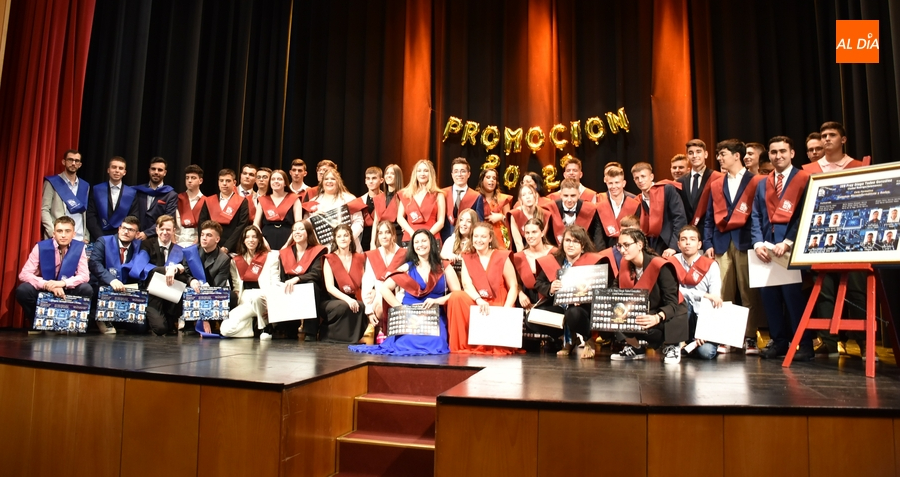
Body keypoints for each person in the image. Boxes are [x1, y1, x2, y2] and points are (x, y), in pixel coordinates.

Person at [750, 136, 814, 361]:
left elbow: (804, 214)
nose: (778, 156)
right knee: (770, 298)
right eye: (774, 152)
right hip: (765, 251)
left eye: (782, 151)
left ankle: (804, 344)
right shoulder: (762, 182)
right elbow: (755, 215)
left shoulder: (805, 179)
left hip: (790, 250)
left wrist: (787, 242)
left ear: (792, 153)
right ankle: (779, 342)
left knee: (794, 300)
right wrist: (757, 242)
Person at [349, 229, 460, 356]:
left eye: (424, 241)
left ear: (431, 243)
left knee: (436, 343)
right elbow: (384, 288)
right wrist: (401, 308)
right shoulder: (407, 267)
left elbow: (457, 294)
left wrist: (436, 301)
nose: (420, 245)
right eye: (416, 242)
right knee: (404, 343)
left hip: (433, 315)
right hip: (410, 316)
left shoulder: (444, 266)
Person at [703, 139, 765, 355]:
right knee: (723, 292)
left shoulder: (755, 181)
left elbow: (759, 214)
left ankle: (750, 337)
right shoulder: (716, 184)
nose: (719, 158)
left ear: (736, 156)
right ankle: (725, 337)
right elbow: (709, 217)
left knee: (748, 293)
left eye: (723, 154)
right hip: (721, 243)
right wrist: (708, 242)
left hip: (745, 241)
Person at [611, 228, 688, 363]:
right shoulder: (626, 264)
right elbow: (615, 290)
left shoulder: (660, 265)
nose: (622, 250)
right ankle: (635, 347)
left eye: (627, 245)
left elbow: (672, 302)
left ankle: (671, 345)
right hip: (645, 310)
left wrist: (657, 317)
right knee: (614, 317)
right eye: (620, 246)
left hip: (667, 313)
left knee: (656, 323)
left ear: (640, 245)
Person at [533, 225, 610, 358]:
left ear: (583, 245)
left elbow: (603, 288)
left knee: (573, 313)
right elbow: (539, 283)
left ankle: (588, 340)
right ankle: (567, 338)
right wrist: (550, 288)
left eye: (575, 241)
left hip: (584, 307)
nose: (570, 245)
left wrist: (585, 297)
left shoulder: (593, 262)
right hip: (560, 305)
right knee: (532, 320)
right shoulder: (554, 260)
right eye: (568, 240)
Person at [444, 222, 518, 354]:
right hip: (478, 301)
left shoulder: (502, 256)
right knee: (456, 296)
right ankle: (461, 345)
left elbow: (513, 286)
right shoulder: (467, 256)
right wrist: (479, 300)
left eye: (483, 237)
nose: (479, 240)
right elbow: (466, 284)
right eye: (476, 236)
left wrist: (506, 309)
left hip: (499, 300)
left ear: (490, 238)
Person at [17, 216, 92, 333]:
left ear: (73, 234)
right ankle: (36, 322)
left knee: (86, 289)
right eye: (59, 231)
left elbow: (84, 275)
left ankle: (69, 324)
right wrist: (47, 284)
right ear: (53, 233)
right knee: (23, 290)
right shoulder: (41, 247)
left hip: (66, 289)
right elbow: (24, 274)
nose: (63, 235)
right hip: (44, 289)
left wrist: (62, 283)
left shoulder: (80, 248)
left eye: (67, 231)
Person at [133, 215, 193, 335]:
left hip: (170, 294)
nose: (165, 232)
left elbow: (185, 272)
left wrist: (176, 268)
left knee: (169, 328)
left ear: (174, 231)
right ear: (156, 230)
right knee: (160, 329)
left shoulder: (180, 250)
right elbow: (142, 268)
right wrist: (168, 269)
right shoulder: (146, 244)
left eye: (168, 229)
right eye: (162, 229)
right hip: (151, 293)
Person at [672, 225, 722, 359]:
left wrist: (705, 332)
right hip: (682, 317)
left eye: (692, 239)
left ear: (699, 244)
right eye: (683, 239)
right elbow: (673, 292)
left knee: (706, 353)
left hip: (703, 318)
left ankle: (692, 345)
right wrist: (703, 295)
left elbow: (715, 299)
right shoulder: (671, 263)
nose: (687, 242)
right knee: (682, 300)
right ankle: (680, 341)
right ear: (678, 244)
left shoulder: (711, 265)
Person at [88, 216, 145, 334]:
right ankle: (101, 317)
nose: (126, 232)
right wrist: (111, 280)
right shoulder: (103, 241)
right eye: (124, 228)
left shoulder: (138, 247)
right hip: (103, 286)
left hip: (125, 291)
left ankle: (116, 319)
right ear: (119, 228)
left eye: (131, 230)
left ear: (136, 233)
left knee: (141, 328)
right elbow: (94, 264)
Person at [275, 220, 327, 340]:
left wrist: (297, 278)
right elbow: (283, 277)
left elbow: (316, 273)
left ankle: (310, 332)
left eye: (301, 229)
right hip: (291, 287)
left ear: (308, 232)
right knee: (282, 286)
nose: (297, 232)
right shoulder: (285, 252)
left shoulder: (318, 250)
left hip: (310, 287)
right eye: (294, 230)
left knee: (311, 285)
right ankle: (285, 328)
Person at [221, 225, 276, 338]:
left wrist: (272, 302)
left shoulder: (270, 257)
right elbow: (236, 286)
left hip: (263, 297)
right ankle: (251, 328)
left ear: (259, 239)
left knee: (256, 297)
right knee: (225, 330)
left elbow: (275, 281)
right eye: (247, 237)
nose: (251, 240)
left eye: (254, 237)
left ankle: (265, 328)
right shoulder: (235, 261)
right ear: (243, 240)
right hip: (245, 299)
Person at [514, 219, 560, 343]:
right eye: (527, 233)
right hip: (527, 299)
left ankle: (557, 338)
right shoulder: (518, 257)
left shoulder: (555, 253)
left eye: (534, 232)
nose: (530, 236)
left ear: (542, 233)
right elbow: (515, 282)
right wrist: (520, 294)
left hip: (549, 298)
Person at [182, 220, 232, 336]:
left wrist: (205, 317)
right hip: (192, 292)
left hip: (210, 294)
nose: (204, 238)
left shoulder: (223, 259)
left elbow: (217, 288)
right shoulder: (191, 252)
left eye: (209, 235)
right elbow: (185, 274)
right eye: (202, 234)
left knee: (229, 296)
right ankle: (188, 323)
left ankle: (212, 321)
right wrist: (191, 280)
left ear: (217, 239)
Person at [321, 224, 369, 343]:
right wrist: (348, 299)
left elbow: (366, 282)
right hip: (331, 299)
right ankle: (331, 337)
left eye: (346, 235)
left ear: (351, 238)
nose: (343, 239)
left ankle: (352, 340)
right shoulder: (329, 258)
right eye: (339, 236)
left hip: (352, 299)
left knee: (361, 306)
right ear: (335, 240)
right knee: (344, 306)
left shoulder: (359, 258)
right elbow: (329, 287)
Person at [361, 219, 407, 339]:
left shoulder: (404, 254)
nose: (384, 236)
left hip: (400, 295)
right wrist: (369, 311)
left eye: (387, 232)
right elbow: (367, 282)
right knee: (380, 306)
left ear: (393, 235)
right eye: (380, 233)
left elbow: (407, 282)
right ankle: (381, 329)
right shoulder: (373, 255)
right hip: (379, 298)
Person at [632, 162, 686, 257]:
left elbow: (679, 218)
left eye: (643, 176)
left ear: (651, 177)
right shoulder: (637, 200)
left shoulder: (667, 189)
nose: (640, 180)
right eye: (636, 178)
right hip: (649, 247)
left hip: (669, 244)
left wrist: (673, 247)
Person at [304, 169, 365, 249]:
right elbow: (305, 227)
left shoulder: (349, 199)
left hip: (348, 247)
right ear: (322, 182)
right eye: (326, 179)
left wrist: (347, 239)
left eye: (333, 179)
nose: (329, 181)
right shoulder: (313, 202)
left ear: (338, 181)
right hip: (323, 248)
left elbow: (358, 222)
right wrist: (312, 219)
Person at [197, 169, 250, 255]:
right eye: (221, 180)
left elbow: (242, 226)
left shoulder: (242, 202)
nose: (224, 183)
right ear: (218, 182)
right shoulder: (209, 200)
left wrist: (227, 247)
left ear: (234, 183)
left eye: (228, 181)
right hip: (209, 247)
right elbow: (202, 223)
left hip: (231, 248)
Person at [41, 150, 90, 242]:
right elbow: (44, 209)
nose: (73, 163)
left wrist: (86, 235)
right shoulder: (52, 182)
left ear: (80, 164)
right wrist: (52, 232)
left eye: (77, 161)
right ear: (64, 162)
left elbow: (83, 213)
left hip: (78, 238)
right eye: (70, 160)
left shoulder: (85, 186)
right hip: (58, 237)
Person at [87, 156, 140, 238]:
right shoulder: (97, 189)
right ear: (108, 170)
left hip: (122, 237)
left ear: (124, 172)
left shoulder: (131, 193)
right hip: (99, 237)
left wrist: (121, 236)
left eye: (120, 168)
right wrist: (100, 237)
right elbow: (91, 216)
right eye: (114, 167)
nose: (117, 171)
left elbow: (133, 217)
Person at [397, 159, 446, 245]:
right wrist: (413, 234)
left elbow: (441, 222)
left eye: (426, 171)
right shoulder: (406, 194)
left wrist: (426, 236)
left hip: (432, 238)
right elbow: (400, 218)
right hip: (410, 238)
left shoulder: (438, 195)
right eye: (419, 171)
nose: (422, 173)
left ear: (430, 174)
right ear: (415, 174)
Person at [546, 178, 603, 249]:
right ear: (560, 195)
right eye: (566, 196)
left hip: (583, 252)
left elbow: (598, 239)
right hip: (557, 252)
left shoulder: (590, 209)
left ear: (579, 195)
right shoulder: (550, 209)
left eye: (573, 196)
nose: (569, 200)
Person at [678, 139, 722, 229]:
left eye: (698, 152)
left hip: (710, 230)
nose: (694, 156)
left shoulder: (717, 178)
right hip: (689, 233)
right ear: (687, 156)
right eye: (691, 153)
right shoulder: (681, 181)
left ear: (706, 154)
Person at [596, 163, 642, 249]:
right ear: (606, 183)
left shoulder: (635, 204)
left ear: (623, 183)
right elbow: (599, 236)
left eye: (617, 183)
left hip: (630, 250)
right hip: (607, 252)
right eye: (610, 183)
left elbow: (637, 233)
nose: (613, 186)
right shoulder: (600, 206)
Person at [255, 169, 302, 250]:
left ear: (285, 183)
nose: (276, 181)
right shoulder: (262, 200)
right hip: (266, 240)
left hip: (288, 239)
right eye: (273, 179)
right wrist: (263, 241)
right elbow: (255, 224)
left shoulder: (294, 198)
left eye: (279, 179)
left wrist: (288, 243)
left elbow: (299, 224)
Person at [441, 157, 485, 241]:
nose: (459, 174)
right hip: (443, 240)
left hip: (466, 241)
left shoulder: (476, 196)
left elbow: (479, 223)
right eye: (456, 171)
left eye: (463, 171)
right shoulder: (442, 194)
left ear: (468, 174)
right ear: (452, 174)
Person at [134, 157, 178, 240]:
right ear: (149, 170)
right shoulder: (138, 191)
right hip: (136, 236)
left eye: (160, 170)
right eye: (153, 169)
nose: (156, 172)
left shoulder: (170, 195)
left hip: (157, 239)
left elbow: (167, 219)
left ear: (165, 173)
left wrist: (146, 233)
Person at [478, 167, 513, 249]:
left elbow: (511, 223)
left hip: (499, 239)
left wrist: (501, 217)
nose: (491, 180)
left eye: (494, 178)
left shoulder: (503, 199)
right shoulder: (475, 198)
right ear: (482, 180)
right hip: (480, 237)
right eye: (488, 177)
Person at [509, 183, 550, 251]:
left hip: (540, 250)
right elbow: (518, 243)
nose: (528, 197)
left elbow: (542, 240)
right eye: (524, 195)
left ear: (535, 196)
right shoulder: (514, 215)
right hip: (523, 251)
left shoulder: (545, 214)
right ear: (520, 199)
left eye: (530, 193)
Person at [371, 163, 404, 247]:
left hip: (398, 237)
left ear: (398, 177)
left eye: (392, 173)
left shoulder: (403, 196)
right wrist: (372, 242)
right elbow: (375, 222)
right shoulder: (379, 198)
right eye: (387, 173)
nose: (388, 175)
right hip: (382, 237)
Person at [175, 165, 204, 248]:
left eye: (193, 178)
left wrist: (197, 242)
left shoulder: (206, 201)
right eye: (187, 178)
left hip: (196, 244)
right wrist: (173, 242)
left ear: (200, 181)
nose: (189, 181)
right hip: (177, 243)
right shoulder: (177, 199)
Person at [359, 166, 384, 252]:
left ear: (381, 180)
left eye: (374, 178)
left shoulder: (386, 199)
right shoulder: (360, 200)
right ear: (365, 181)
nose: (370, 181)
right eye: (368, 178)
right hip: (363, 241)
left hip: (382, 238)